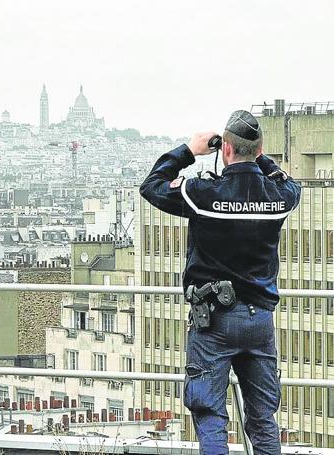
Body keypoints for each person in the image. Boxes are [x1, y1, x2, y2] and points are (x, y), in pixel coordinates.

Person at [139, 111, 301, 454]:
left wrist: (189, 150)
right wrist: (260, 157)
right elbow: (288, 183)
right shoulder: (278, 198)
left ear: (225, 149)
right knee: (262, 418)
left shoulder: (204, 194)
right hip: (260, 320)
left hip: (214, 320)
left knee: (210, 412)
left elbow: (152, 186)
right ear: (258, 149)